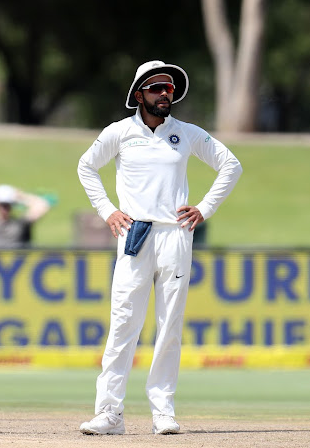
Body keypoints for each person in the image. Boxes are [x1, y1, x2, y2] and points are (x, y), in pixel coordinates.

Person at [77, 60, 242, 435]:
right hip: (134, 234)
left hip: (175, 234)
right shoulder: (119, 132)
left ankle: (163, 412)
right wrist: (107, 211)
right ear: (139, 94)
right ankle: (109, 414)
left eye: (169, 88)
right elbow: (86, 167)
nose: (165, 94)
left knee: (169, 325)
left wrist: (205, 208)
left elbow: (230, 165)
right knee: (123, 324)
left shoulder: (186, 133)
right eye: (156, 88)